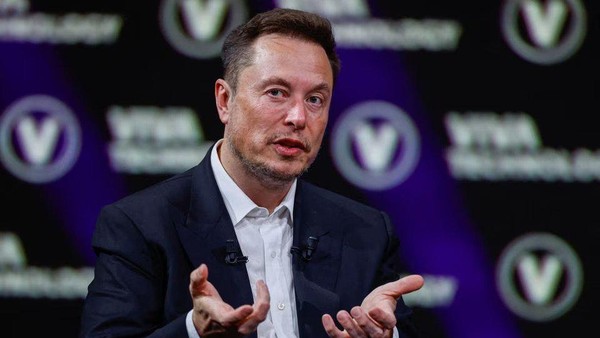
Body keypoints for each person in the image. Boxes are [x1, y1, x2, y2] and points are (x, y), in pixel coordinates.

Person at [80, 7, 424, 338]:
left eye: (316, 99)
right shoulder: (140, 225)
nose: (298, 118)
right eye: (276, 92)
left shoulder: (366, 232)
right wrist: (194, 332)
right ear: (224, 101)